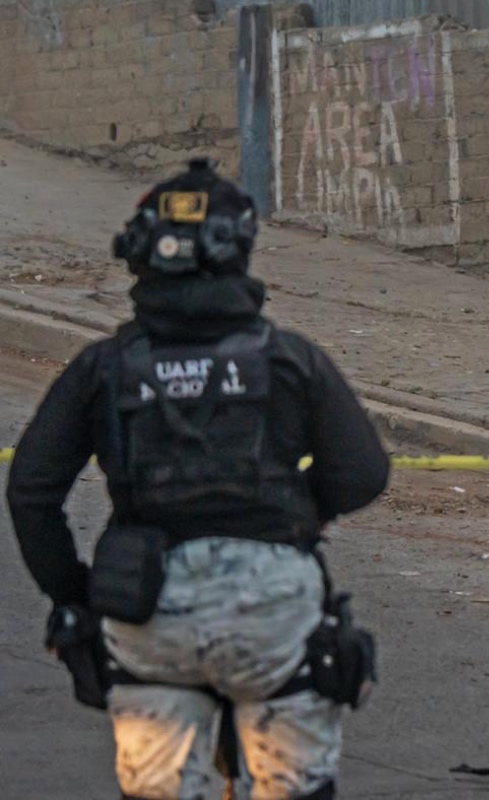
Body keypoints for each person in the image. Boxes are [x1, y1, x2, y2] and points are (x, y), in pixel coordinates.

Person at [6, 158, 391, 800]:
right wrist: (294, 516)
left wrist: (75, 594)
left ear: (138, 254)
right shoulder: (289, 359)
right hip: (273, 616)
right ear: (239, 252)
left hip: (145, 610)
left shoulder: (103, 369)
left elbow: (31, 492)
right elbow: (363, 473)